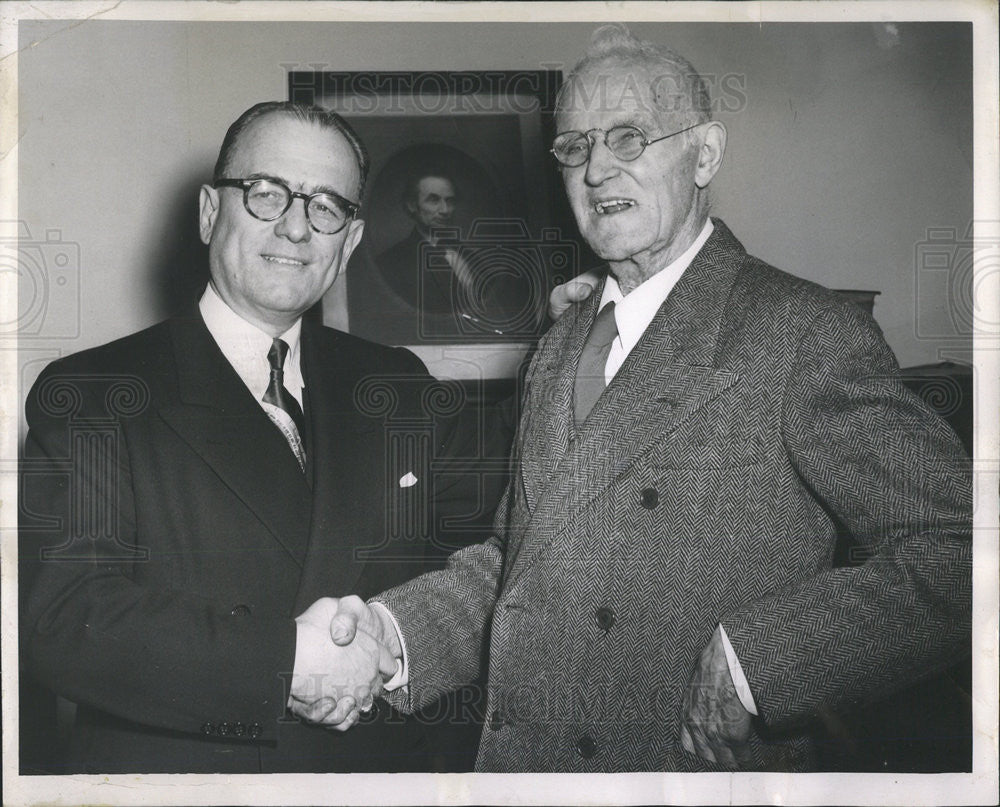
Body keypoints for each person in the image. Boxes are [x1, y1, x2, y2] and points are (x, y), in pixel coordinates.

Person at [308, 25, 973, 772]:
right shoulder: (558, 347)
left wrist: (761, 662)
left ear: (706, 153)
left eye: (629, 137)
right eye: (575, 147)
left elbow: (964, 550)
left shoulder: (801, 331)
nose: (597, 169)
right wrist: (386, 638)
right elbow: (515, 566)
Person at [18, 101, 499, 773]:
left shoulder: (400, 385)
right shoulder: (95, 391)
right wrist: (290, 660)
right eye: (267, 194)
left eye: (327, 207)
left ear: (351, 242)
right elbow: (66, 619)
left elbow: (504, 554)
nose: (297, 227)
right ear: (211, 212)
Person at [358, 167, 533, 340]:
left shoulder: (470, 257)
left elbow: (495, 312)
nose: (445, 210)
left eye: (450, 201)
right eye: (433, 200)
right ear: (412, 205)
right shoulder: (391, 263)